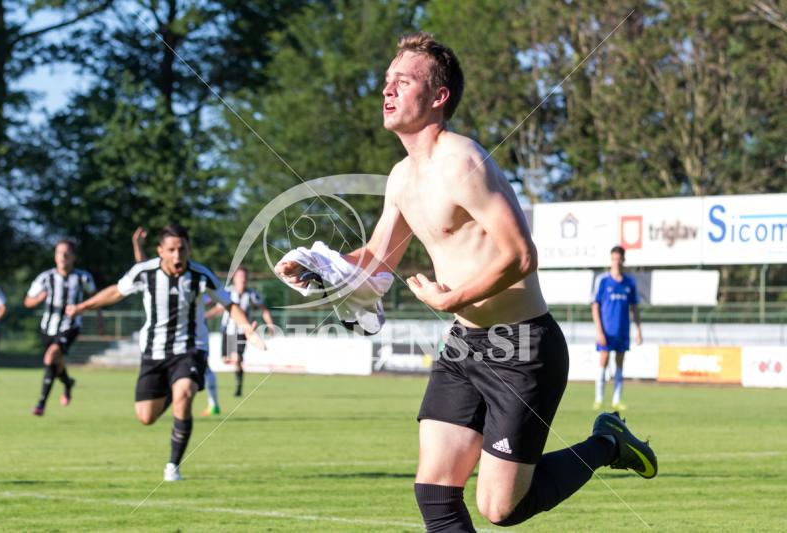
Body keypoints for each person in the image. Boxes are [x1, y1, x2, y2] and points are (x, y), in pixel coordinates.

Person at [277, 32, 657, 531]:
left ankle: (607, 443)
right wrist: (320, 266)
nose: (387, 90)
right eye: (387, 80)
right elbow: (377, 259)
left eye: (403, 82)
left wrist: (451, 298)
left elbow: (522, 256)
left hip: (524, 346)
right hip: (464, 344)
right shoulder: (401, 177)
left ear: (439, 96)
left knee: (501, 508)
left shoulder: (462, 162)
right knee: (434, 492)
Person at [67, 223, 264, 481]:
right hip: (154, 353)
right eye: (171, 250)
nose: (177, 255)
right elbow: (116, 291)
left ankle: (173, 466)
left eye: (182, 249)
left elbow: (229, 304)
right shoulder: (144, 272)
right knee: (145, 417)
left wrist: (248, 329)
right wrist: (82, 307)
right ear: (160, 251)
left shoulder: (200, 275)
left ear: (189, 249)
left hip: (190, 349)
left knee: (184, 396)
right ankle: (173, 390)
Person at [24, 239, 97, 415]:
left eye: (66, 253)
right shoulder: (45, 277)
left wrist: (99, 320)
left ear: (73, 256)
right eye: (59, 253)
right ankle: (67, 383)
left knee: (50, 357)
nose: (63, 256)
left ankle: (41, 404)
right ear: (55, 256)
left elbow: (95, 298)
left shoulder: (83, 277)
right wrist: (38, 299)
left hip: (70, 326)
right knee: (56, 363)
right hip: (47, 328)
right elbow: (27, 301)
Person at [205, 266, 275, 409]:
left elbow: (263, 309)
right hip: (227, 331)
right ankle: (237, 369)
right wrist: (204, 317)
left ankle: (238, 388)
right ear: (235, 279)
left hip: (243, 331)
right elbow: (219, 309)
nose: (242, 279)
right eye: (240, 276)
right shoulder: (228, 292)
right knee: (226, 360)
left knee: (236, 358)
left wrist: (269, 324)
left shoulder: (252, 294)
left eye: (244, 276)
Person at [592, 245, 642, 411]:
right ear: (611, 260)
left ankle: (616, 399)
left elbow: (635, 308)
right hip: (606, 331)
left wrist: (638, 330)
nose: (616, 262)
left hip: (623, 330)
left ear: (623, 260)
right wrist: (599, 331)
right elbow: (595, 306)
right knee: (603, 361)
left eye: (619, 259)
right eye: (614, 259)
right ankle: (599, 399)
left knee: (620, 363)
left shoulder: (630, 282)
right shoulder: (603, 281)